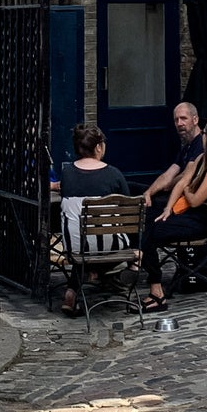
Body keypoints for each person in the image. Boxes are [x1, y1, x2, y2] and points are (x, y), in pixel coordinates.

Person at [141, 118, 207, 311]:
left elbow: (195, 200)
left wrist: (186, 188)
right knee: (146, 219)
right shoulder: (202, 158)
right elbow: (181, 182)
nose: (202, 137)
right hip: (186, 214)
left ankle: (157, 291)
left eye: (204, 135)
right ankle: (152, 281)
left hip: (200, 221)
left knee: (149, 232)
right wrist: (168, 208)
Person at [59, 122, 134, 314]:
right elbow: (127, 210)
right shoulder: (113, 174)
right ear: (98, 147)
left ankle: (73, 289)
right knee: (114, 245)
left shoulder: (67, 173)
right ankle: (103, 275)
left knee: (86, 249)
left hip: (75, 246)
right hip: (111, 245)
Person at [141, 102, 204, 210]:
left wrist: (167, 185)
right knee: (132, 188)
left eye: (184, 118)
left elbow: (186, 175)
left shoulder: (201, 143)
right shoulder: (186, 147)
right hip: (173, 192)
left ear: (195, 120)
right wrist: (148, 192)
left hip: (185, 200)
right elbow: (168, 174)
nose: (179, 123)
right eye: (176, 120)